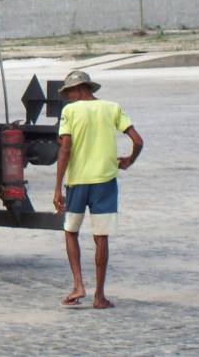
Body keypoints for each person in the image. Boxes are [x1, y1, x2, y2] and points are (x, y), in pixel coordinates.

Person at [53, 70, 143, 309]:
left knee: (71, 231)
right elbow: (138, 140)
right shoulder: (112, 108)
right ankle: (99, 296)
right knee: (101, 237)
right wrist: (129, 161)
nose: (69, 97)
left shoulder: (69, 112)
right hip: (105, 181)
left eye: (70, 92)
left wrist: (56, 188)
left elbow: (65, 150)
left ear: (82, 90)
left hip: (77, 182)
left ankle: (78, 285)